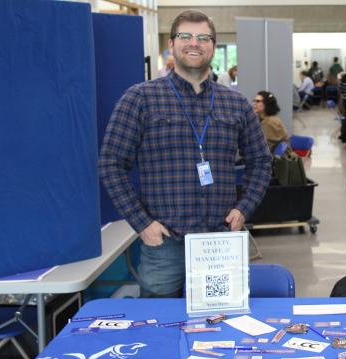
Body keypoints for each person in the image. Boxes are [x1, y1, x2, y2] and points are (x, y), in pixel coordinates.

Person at [99, 10, 272, 298]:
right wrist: (142, 224)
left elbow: (261, 162)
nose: (195, 43)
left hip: (219, 242)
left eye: (203, 37)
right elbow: (110, 164)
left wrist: (244, 208)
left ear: (213, 46)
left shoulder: (236, 103)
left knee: (218, 325)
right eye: (186, 36)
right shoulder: (140, 98)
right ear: (171, 44)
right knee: (160, 326)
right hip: (164, 243)